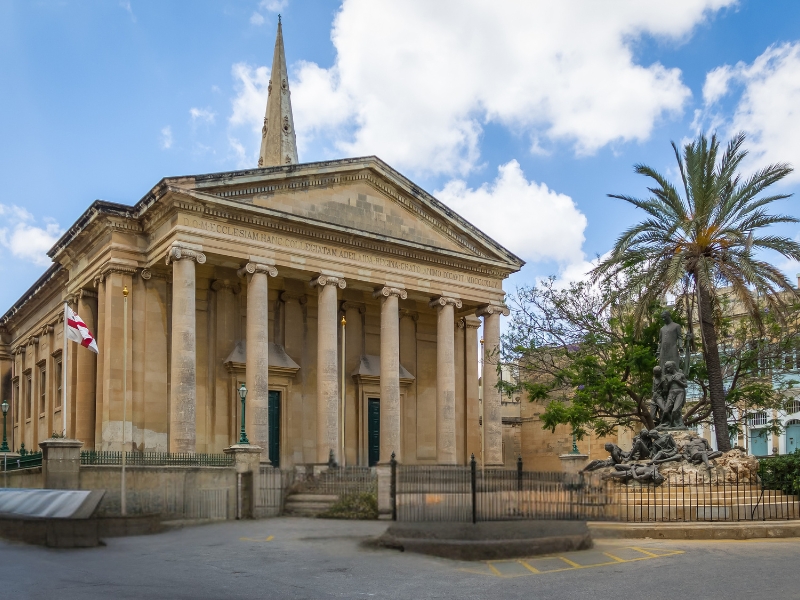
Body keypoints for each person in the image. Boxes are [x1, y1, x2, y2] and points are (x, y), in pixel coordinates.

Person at [661, 361, 688, 429]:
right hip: (671, 392)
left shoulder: (681, 375)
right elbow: (665, 389)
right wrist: (669, 383)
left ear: (673, 366)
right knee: (666, 410)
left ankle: (674, 425)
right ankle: (668, 424)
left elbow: (685, 385)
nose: (667, 369)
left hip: (680, 392)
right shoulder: (666, 376)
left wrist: (677, 381)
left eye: (669, 367)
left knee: (675, 410)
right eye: (666, 368)